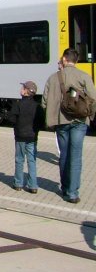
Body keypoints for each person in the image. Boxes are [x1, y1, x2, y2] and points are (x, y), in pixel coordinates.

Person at [42, 48, 96, 203]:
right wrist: (90, 116)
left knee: (64, 155)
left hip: (61, 122)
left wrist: (53, 115)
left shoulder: (53, 78)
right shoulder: (84, 76)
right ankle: (73, 192)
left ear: (64, 60)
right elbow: (93, 99)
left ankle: (65, 188)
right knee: (76, 156)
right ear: (76, 61)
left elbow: (44, 102)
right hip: (79, 121)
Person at [7, 81, 43, 193]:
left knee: (19, 160)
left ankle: (18, 183)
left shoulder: (17, 104)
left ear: (26, 91)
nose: (21, 89)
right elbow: (41, 122)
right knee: (32, 161)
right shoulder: (37, 106)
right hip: (32, 137)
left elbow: (12, 119)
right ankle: (33, 185)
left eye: (22, 87)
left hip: (20, 137)